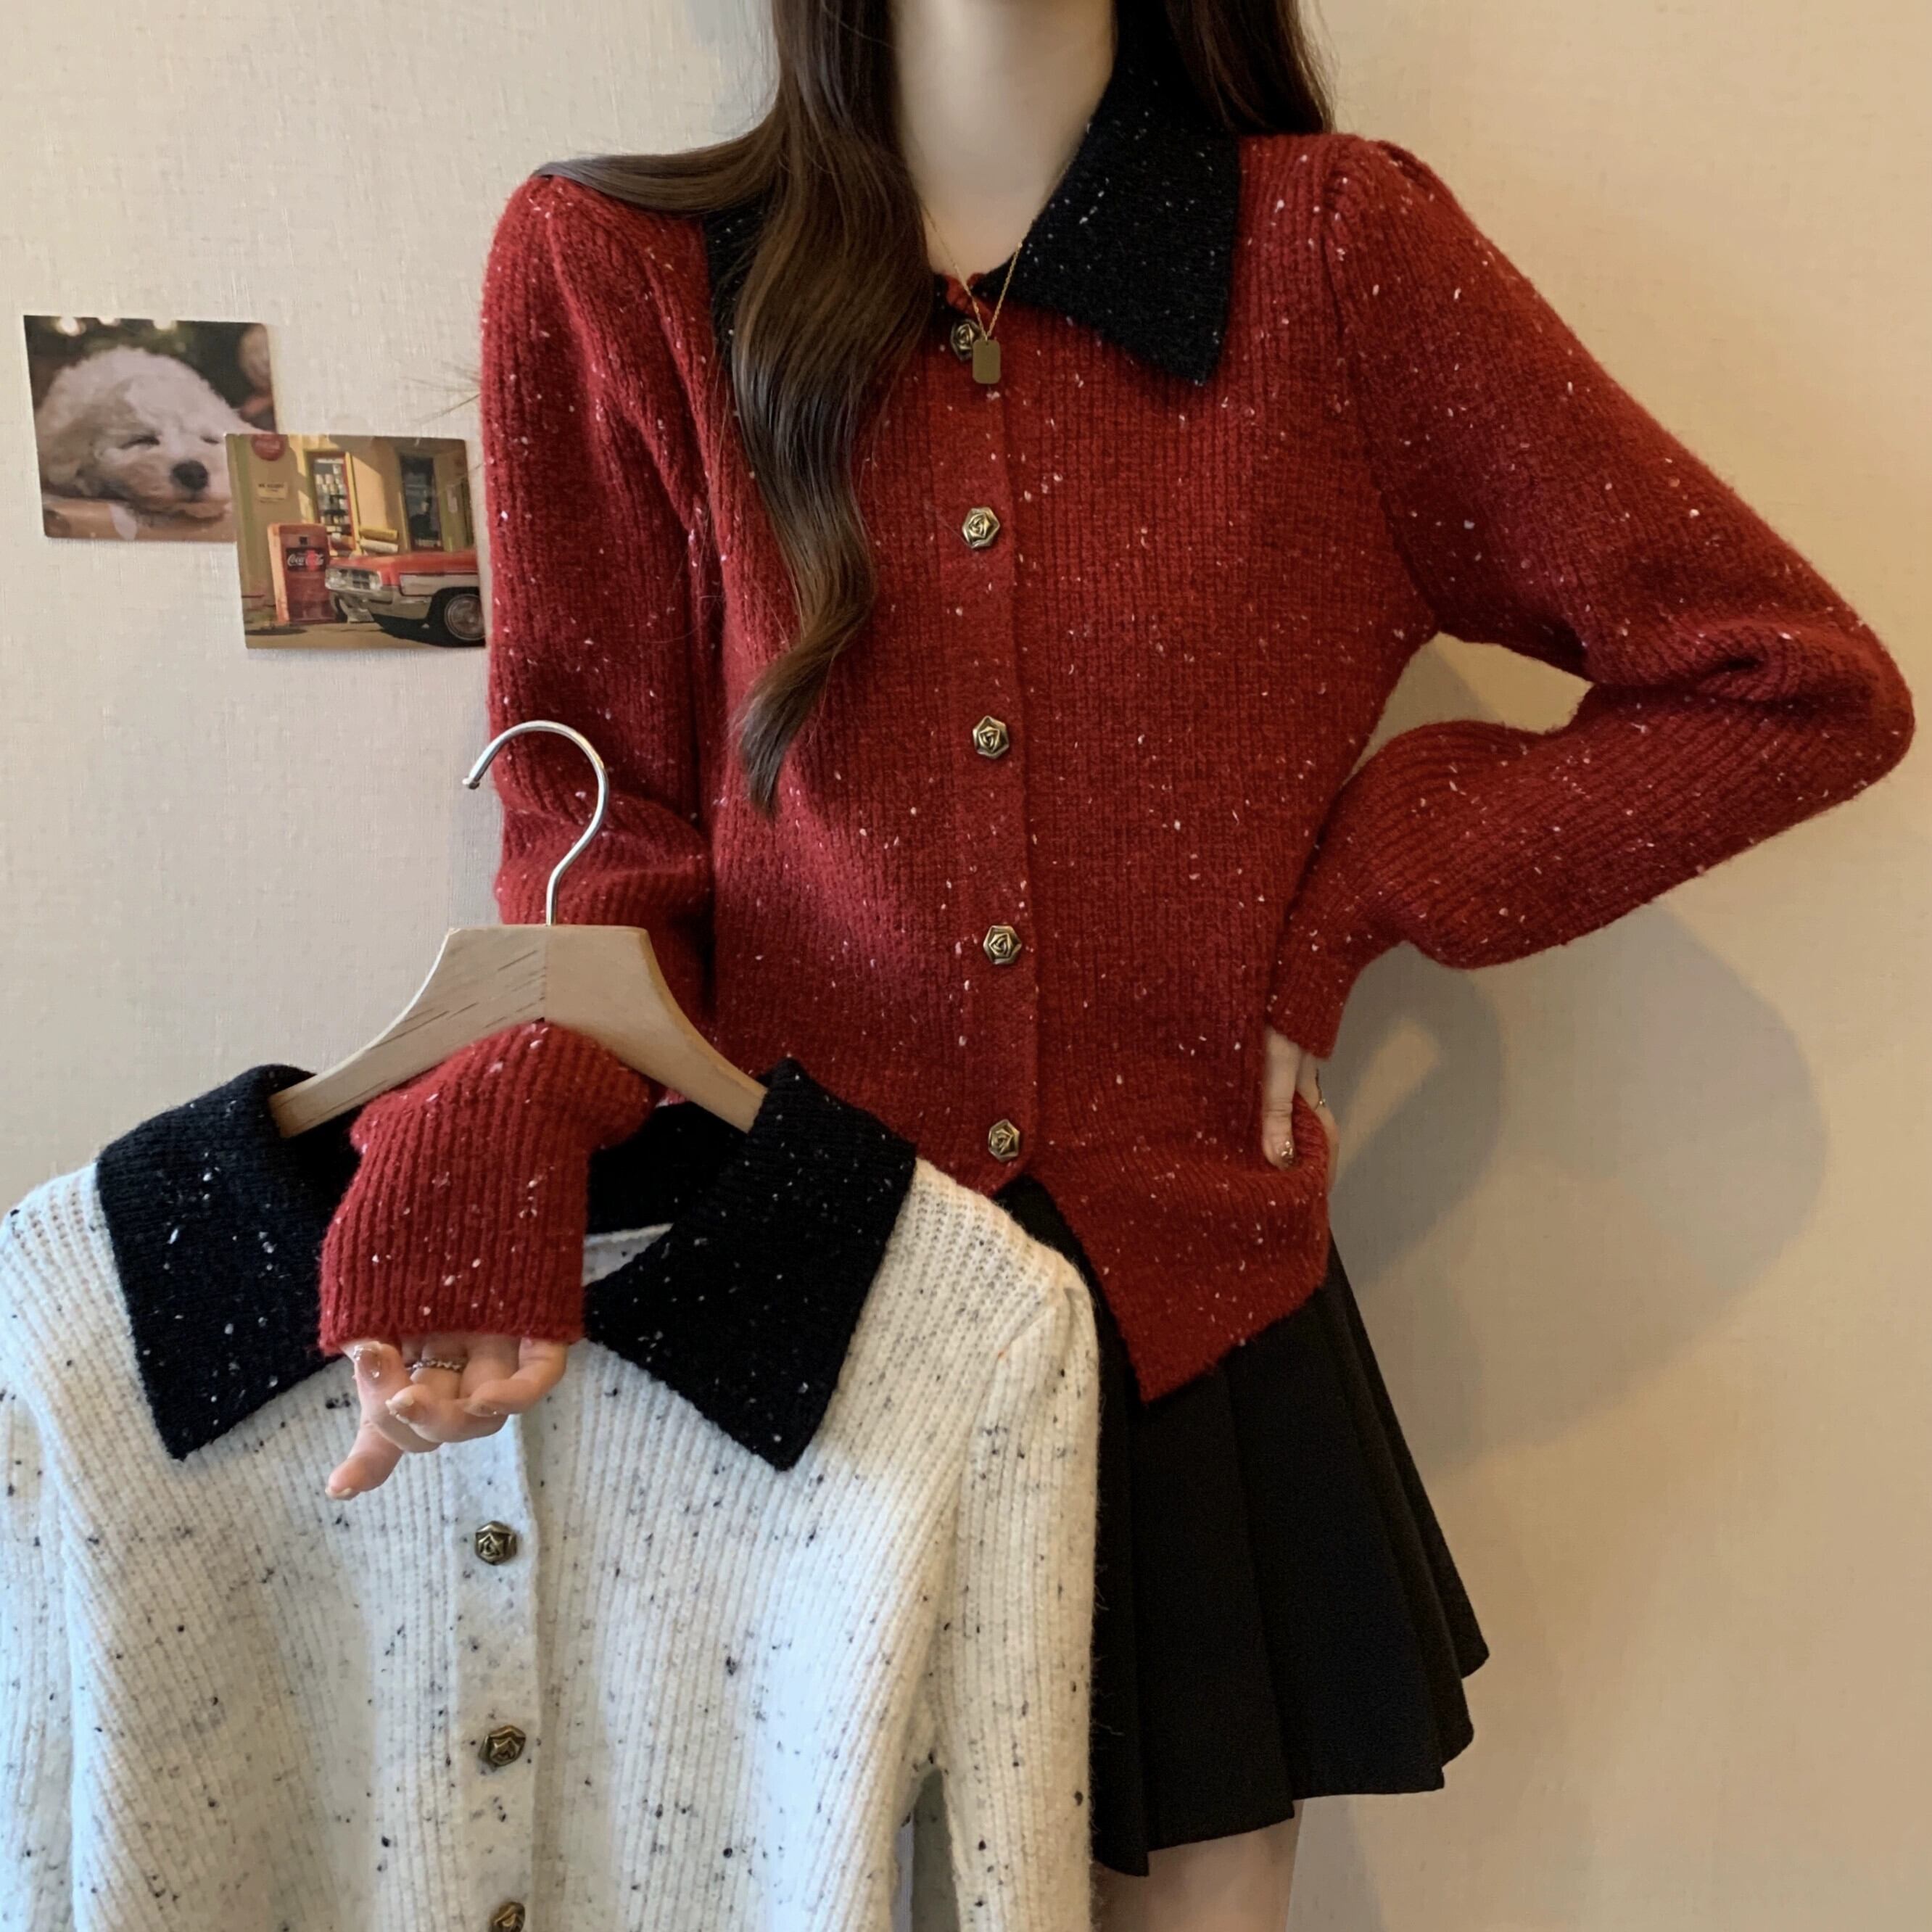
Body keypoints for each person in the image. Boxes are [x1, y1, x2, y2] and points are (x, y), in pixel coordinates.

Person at [307, 2, 1916, 1927]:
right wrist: (488, 1152)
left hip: (1184, 1315)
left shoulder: (1336, 258)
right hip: (783, 1285)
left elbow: (1787, 685)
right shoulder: (619, 271)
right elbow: (596, 831)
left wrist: (1363, 886)